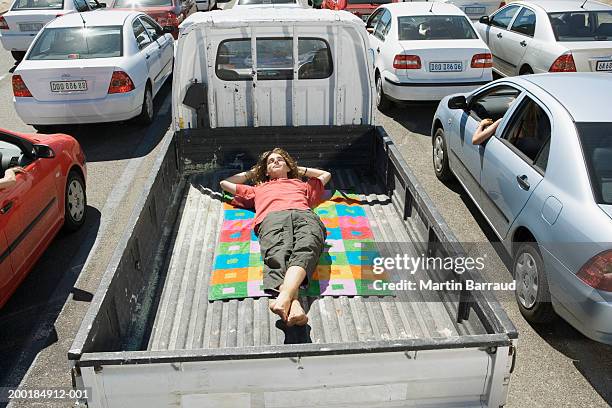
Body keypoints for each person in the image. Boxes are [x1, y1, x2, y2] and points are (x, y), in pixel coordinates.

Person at [220, 148, 331, 327]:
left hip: (304, 214)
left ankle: (285, 299)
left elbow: (325, 175)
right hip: (273, 218)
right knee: (277, 256)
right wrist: (254, 172)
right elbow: (225, 183)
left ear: (288, 166)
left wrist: (297, 169)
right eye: (271, 161)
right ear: (265, 171)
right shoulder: (257, 189)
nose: (275, 162)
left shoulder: (300, 185)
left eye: (280, 160)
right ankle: (294, 306)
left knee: (308, 247)